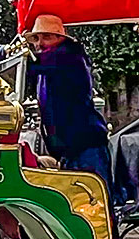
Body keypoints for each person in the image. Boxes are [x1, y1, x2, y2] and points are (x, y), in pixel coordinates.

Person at [22, 15, 111, 181]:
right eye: (36, 38)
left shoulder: (68, 56)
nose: (39, 44)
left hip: (86, 147)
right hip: (70, 149)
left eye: (46, 37)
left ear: (60, 38)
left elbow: (28, 63)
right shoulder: (49, 62)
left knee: (93, 200)